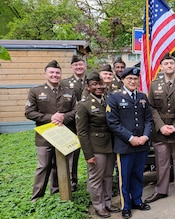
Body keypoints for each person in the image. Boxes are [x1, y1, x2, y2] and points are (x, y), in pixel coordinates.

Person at [25, 60, 76, 202]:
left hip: (63, 133)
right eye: (52, 72)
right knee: (43, 165)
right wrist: (50, 117)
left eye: (57, 72)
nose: (55, 75)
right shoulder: (36, 91)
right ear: (46, 74)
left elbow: (76, 110)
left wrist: (64, 117)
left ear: (61, 74)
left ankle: (57, 190)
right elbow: (29, 112)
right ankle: (37, 196)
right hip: (44, 135)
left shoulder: (69, 91)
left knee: (61, 163)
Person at [106, 67, 153, 219]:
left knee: (138, 174)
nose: (133, 81)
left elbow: (148, 119)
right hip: (125, 145)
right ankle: (125, 206)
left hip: (142, 144)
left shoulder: (142, 97)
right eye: (129, 79)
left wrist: (145, 136)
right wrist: (131, 138)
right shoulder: (114, 97)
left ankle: (137, 201)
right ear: (123, 80)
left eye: (135, 79)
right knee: (124, 177)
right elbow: (113, 122)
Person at [145, 52, 175, 203]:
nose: (169, 66)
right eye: (166, 64)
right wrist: (161, 126)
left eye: (172, 63)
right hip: (161, 132)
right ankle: (161, 190)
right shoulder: (154, 85)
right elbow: (151, 108)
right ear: (161, 67)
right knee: (162, 163)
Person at [76, 72, 120, 218]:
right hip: (96, 147)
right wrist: (88, 155)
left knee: (108, 176)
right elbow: (82, 132)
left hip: (110, 145)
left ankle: (107, 203)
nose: (99, 87)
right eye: (94, 85)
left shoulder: (108, 100)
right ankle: (98, 206)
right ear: (88, 87)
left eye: (100, 84)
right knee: (96, 178)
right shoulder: (84, 105)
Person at [61, 55, 88, 191]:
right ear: (72, 67)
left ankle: (94, 180)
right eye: (76, 65)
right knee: (73, 153)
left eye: (81, 64)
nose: (78, 67)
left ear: (85, 65)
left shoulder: (91, 80)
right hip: (72, 123)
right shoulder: (65, 83)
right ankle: (72, 181)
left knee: (92, 153)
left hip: (90, 123)